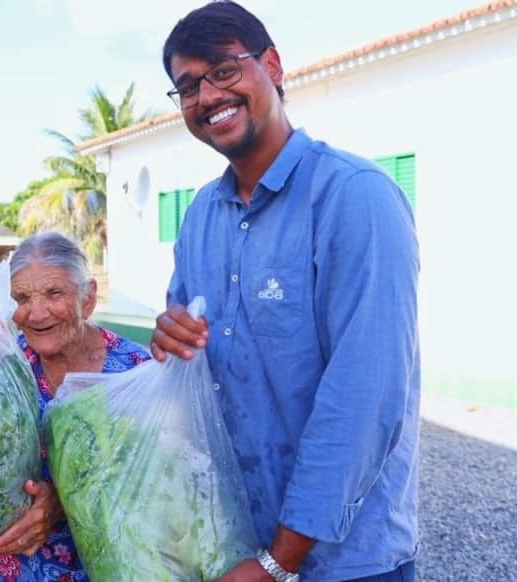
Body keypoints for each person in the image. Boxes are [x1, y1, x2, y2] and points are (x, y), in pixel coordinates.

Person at [152, 2, 420, 580]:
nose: (206, 96)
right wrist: (168, 341)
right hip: (232, 548)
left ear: (271, 66)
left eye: (224, 70)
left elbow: (364, 397)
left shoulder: (354, 197)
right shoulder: (201, 215)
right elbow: (193, 368)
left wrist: (279, 562)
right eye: (188, 86)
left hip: (346, 562)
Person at [0, 231, 150, 582]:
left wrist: (64, 500)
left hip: (118, 567)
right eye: (22, 298)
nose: (37, 313)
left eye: (54, 293)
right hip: (21, 569)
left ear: (88, 299)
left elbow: (162, 482)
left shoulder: (136, 370)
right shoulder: (4, 368)